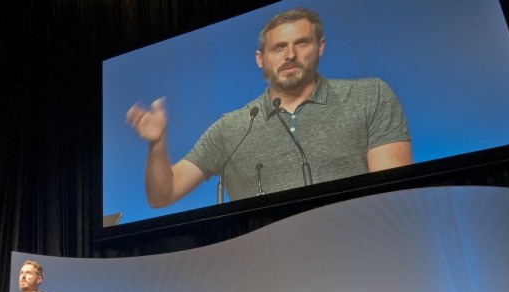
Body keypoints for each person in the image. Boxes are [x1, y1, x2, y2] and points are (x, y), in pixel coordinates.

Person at [125, 7, 413, 207]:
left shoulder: (369, 96)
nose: (290, 55)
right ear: (260, 59)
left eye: (301, 43)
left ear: (320, 47)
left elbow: (392, 195)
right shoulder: (232, 128)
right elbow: (163, 194)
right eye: (278, 47)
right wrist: (157, 144)